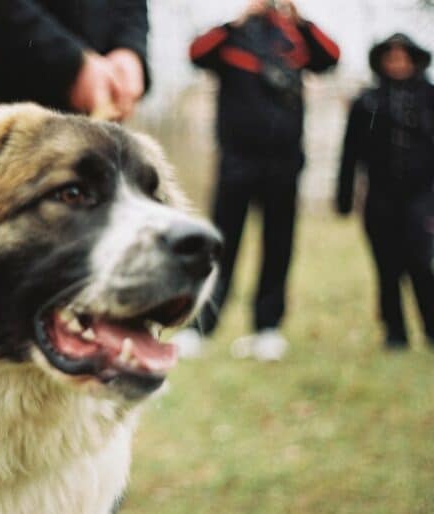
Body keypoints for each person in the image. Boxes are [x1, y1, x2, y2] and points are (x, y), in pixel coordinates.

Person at [173, 0, 340, 360]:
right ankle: (200, 326)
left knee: (278, 246)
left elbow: (330, 58)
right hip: (236, 164)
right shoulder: (232, 36)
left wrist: (300, 19)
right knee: (220, 247)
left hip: (284, 164)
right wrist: (239, 20)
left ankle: (267, 329)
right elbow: (197, 54)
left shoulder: (295, 36)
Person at [336, 33, 434, 350]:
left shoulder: (429, 98)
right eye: (391, 58)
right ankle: (395, 333)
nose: (397, 64)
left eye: (403, 58)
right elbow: (350, 153)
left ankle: (431, 328)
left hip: (422, 197)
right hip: (380, 197)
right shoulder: (368, 103)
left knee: (422, 263)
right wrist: (344, 197)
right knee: (387, 266)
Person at [0, 0, 151, 121]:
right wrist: (71, 65)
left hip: (95, 106)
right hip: (7, 106)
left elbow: (132, 7)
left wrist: (129, 49)